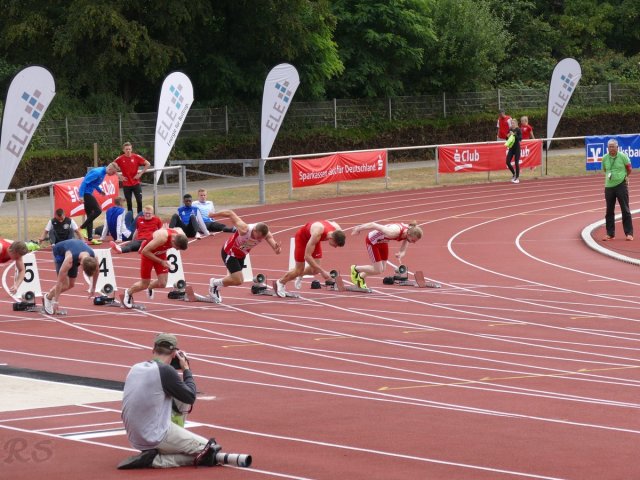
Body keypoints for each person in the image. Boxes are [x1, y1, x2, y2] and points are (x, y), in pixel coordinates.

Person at [119, 333, 221, 469]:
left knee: (173, 395)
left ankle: (161, 450)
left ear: (153, 350)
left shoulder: (135, 368)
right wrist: (186, 370)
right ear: (173, 354)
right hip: (154, 436)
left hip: (135, 437)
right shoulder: (165, 371)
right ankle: (155, 460)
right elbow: (190, 396)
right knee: (209, 450)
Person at [207, 210, 281, 303]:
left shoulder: (266, 235)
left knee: (234, 280)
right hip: (230, 252)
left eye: (261, 238)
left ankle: (216, 285)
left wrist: (277, 249)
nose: (259, 239)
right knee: (238, 280)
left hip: (241, 255)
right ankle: (214, 283)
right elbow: (230, 213)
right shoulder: (244, 229)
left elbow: (276, 250)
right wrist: (214, 215)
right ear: (255, 230)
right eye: (258, 237)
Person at [122, 227, 189, 308]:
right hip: (148, 254)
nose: (176, 250)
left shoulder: (180, 233)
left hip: (161, 253)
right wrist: (161, 262)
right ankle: (128, 292)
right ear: (173, 241)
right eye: (176, 247)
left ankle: (150, 286)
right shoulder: (162, 238)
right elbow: (145, 251)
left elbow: (178, 228)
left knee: (163, 283)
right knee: (144, 284)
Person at [276, 220, 346, 297]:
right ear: (331, 238)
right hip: (302, 239)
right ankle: (280, 282)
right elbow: (307, 256)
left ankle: (300, 274)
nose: (335, 247)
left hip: (314, 240)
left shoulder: (337, 230)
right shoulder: (317, 233)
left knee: (315, 270)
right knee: (298, 270)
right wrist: (323, 272)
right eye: (335, 244)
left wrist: (320, 271)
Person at [350, 221, 423, 289]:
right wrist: (358, 229)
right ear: (409, 234)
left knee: (382, 269)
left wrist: (401, 252)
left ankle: (360, 277)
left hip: (383, 242)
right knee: (378, 270)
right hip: (372, 241)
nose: (414, 242)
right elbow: (373, 225)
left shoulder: (409, 231)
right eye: (413, 240)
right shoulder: (393, 232)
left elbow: (406, 240)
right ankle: (355, 269)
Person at [42, 239, 99, 314]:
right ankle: (48, 297)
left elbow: (97, 271)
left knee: (71, 284)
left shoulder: (94, 258)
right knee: (65, 284)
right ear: (81, 264)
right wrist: (56, 301)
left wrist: (93, 287)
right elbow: (59, 281)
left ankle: (49, 295)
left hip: (75, 251)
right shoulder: (69, 260)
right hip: (60, 253)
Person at [602, 138, 633, 241]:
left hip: (621, 185)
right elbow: (605, 170)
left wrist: (625, 176)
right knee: (609, 211)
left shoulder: (623, 156)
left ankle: (629, 233)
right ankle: (610, 234)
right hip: (609, 187)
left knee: (625, 209)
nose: (611, 148)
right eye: (609, 147)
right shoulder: (604, 158)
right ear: (607, 148)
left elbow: (629, 168)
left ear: (617, 147)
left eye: (613, 147)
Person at [78, 163, 117, 244]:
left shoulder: (103, 173)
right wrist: (81, 196)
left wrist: (100, 191)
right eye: (113, 172)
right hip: (86, 194)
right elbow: (84, 182)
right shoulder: (97, 172)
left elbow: (94, 183)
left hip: (88, 193)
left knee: (90, 215)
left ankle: (90, 238)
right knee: (98, 211)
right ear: (110, 169)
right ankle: (82, 228)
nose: (113, 174)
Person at [113, 142, 150, 214]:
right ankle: (130, 218)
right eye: (126, 149)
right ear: (123, 150)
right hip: (126, 184)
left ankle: (139, 217)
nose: (128, 151)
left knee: (139, 201)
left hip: (136, 183)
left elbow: (148, 164)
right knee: (129, 202)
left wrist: (140, 174)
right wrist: (119, 176)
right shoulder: (120, 158)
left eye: (129, 149)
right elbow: (111, 166)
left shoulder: (136, 157)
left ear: (131, 149)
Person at [505, 118, 522, 184]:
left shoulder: (518, 130)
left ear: (516, 124)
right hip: (511, 148)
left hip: (517, 148)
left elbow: (520, 139)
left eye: (513, 123)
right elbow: (507, 139)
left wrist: (514, 134)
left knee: (516, 162)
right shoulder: (510, 129)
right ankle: (514, 173)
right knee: (507, 162)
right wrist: (508, 136)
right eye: (511, 123)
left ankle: (517, 178)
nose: (512, 124)